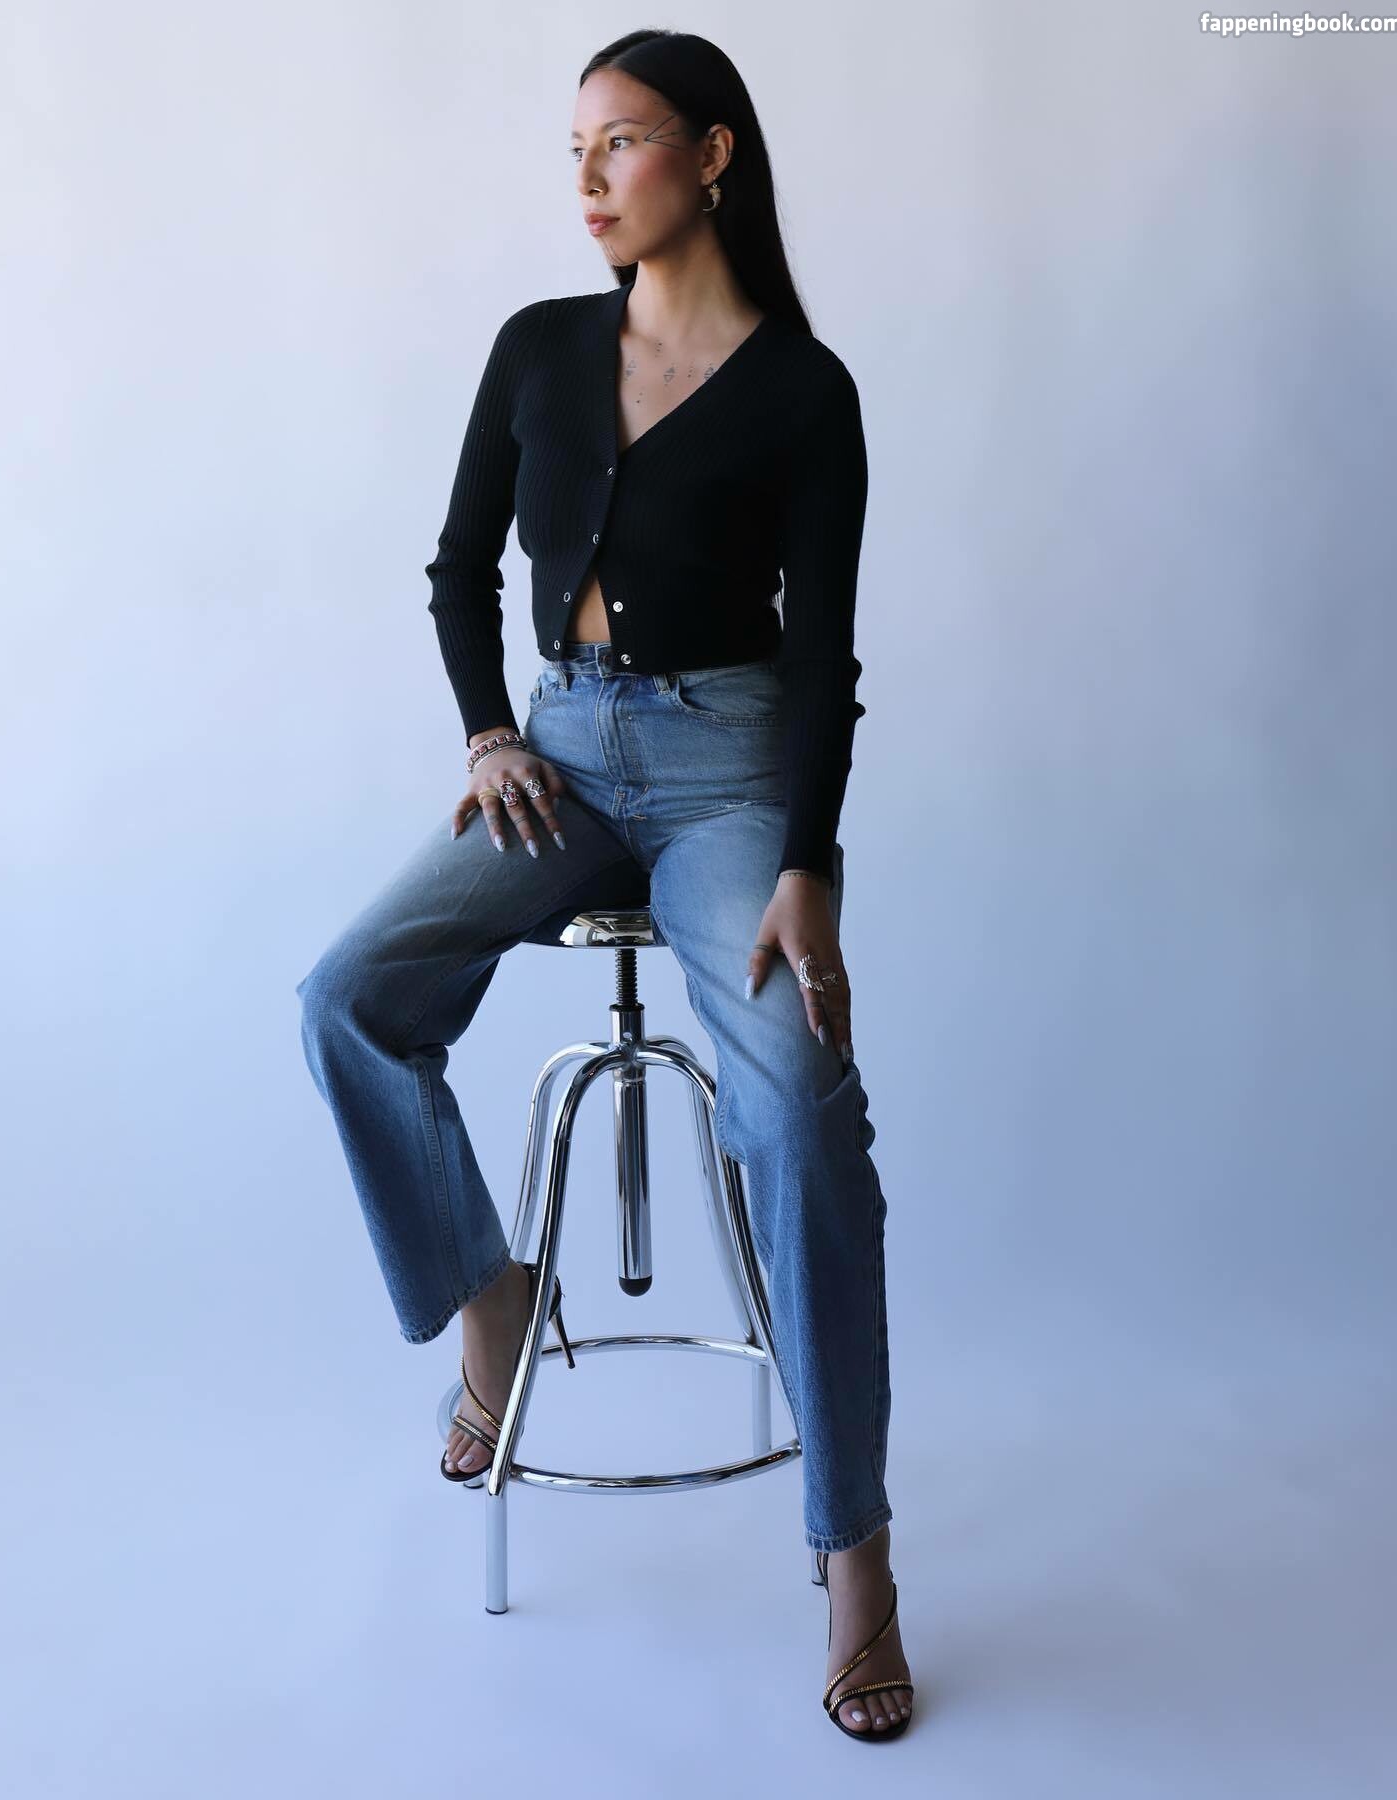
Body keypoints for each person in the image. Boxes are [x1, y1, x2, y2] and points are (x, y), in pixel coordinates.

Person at [296, 29, 913, 1739]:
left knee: (797, 1107)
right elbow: (455, 571)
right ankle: (493, 1296)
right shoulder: (540, 348)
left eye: (619, 143)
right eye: (572, 148)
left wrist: (810, 868)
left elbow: (827, 662)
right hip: (560, 758)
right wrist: (492, 731)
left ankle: (854, 1546)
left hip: (731, 774)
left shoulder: (805, 391)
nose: (585, 179)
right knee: (348, 998)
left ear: (711, 154)